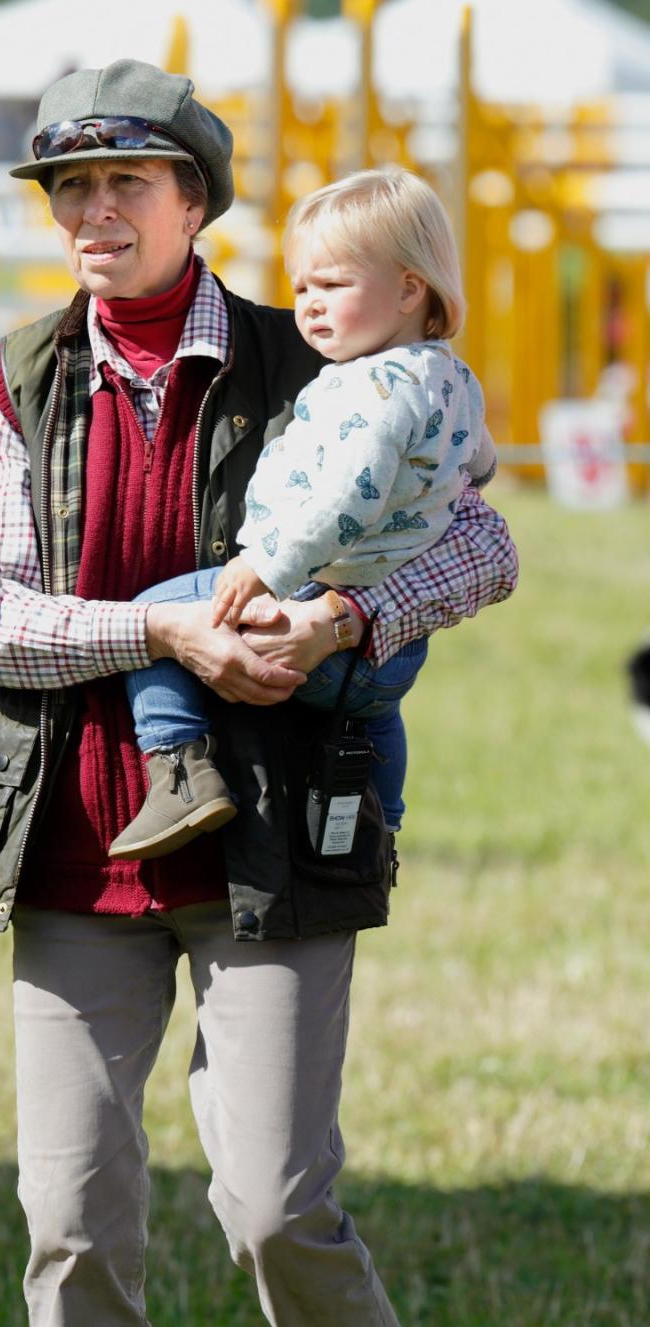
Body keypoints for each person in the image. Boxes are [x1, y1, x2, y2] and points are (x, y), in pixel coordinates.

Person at [0, 59, 518, 1327]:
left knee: (273, 1202)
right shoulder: (20, 377)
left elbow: (484, 539)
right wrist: (164, 627)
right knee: (72, 1222)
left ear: (200, 204)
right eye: (70, 190)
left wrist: (345, 614)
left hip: (268, 843)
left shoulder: (321, 347)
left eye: (128, 184)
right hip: (75, 848)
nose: (94, 214)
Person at [110, 166, 497, 859]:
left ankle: (177, 767)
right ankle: (385, 816)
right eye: (302, 287)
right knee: (374, 713)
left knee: (159, 614)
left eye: (334, 285)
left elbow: (345, 500)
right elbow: (482, 462)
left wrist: (266, 565)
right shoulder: (451, 375)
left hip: (315, 596)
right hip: (394, 644)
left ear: (411, 288)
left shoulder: (375, 388)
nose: (311, 306)